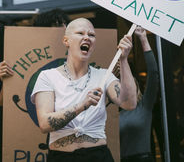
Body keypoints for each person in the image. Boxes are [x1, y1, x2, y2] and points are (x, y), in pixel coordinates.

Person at [30, 17, 137, 162]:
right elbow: (44, 123)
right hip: (61, 157)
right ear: (66, 41)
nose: (87, 37)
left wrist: (124, 59)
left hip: (98, 156)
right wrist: (82, 105)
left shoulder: (104, 76)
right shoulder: (48, 77)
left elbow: (129, 103)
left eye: (91, 35)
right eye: (80, 33)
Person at [119, 26, 159, 162]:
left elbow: (153, 73)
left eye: (130, 85)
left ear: (136, 86)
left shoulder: (145, 106)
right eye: (123, 87)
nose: (127, 89)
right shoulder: (115, 113)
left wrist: (143, 39)